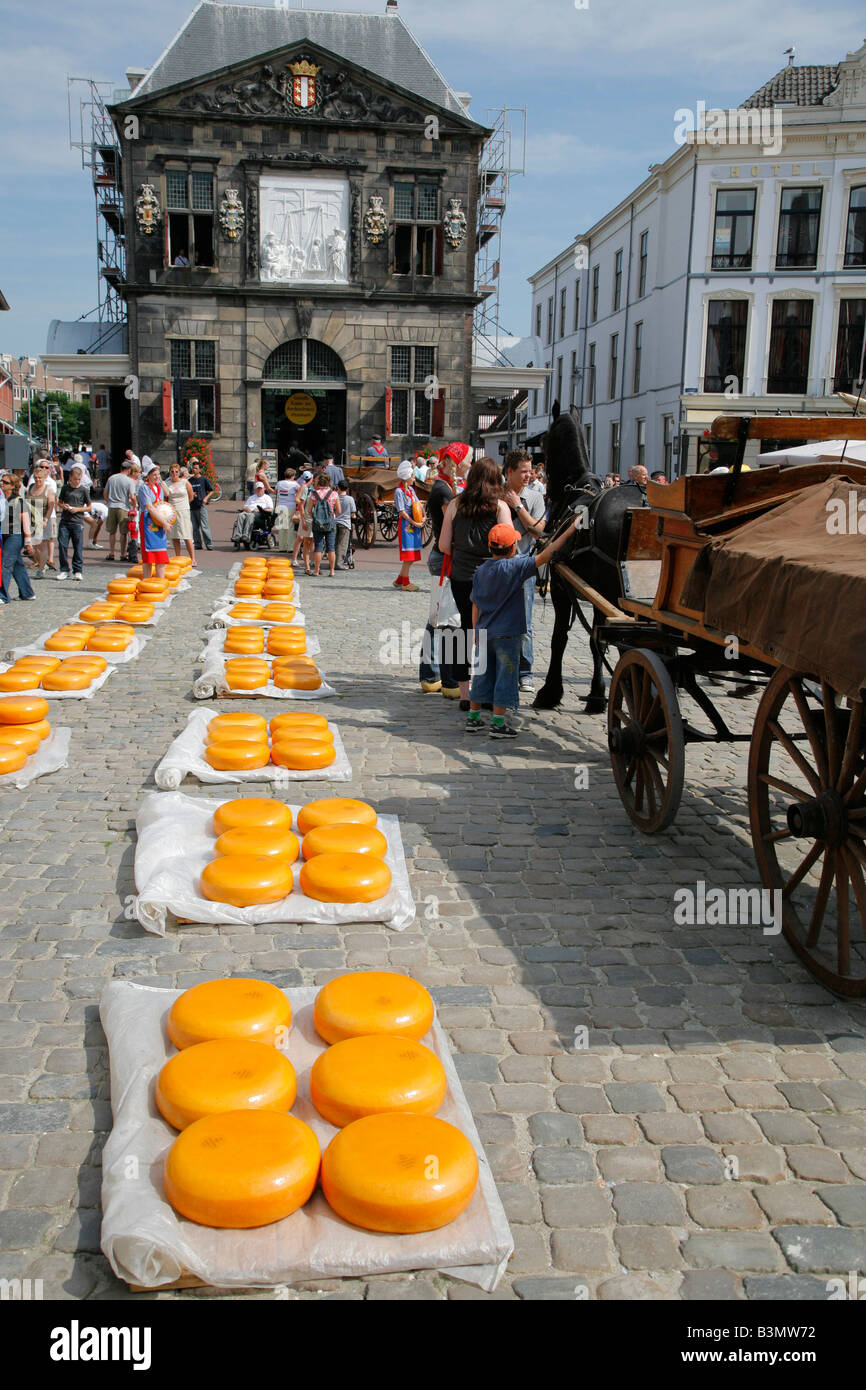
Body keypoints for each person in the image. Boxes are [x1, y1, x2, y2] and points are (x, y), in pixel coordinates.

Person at [466, 517, 584, 737]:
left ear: (490, 546)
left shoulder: (480, 570)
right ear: (513, 548)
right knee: (505, 677)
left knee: (481, 675)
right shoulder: (516, 566)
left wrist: (475, 631)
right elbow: (546, 555)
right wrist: (570, 530)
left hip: (483, 633)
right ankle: (498, 723)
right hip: (508, 635)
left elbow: (475, 604)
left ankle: (473, 719)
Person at [438, 457, 512, 709]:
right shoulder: (500, 507)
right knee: (490, 633)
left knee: (465, 630)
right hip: (492, 578)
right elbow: (509, 546)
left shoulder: (455, 504)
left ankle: (465, 694)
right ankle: (487, 692)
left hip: (461, 577)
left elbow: (443, 546)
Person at [418, 445, 463, 698]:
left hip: (443, 557)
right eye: (466, 460)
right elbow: (452, 524)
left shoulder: (445, 486)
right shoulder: (443, 490)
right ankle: (447, 679)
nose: (468, 463)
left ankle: (431, 674)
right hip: (444, 558)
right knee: (445, 620)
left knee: (437, 618)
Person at [503, 447, 547, 695]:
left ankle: (525, 673)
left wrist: (518, 507)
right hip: (499, 565)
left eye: (531, 471)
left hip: (524, 565)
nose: (529, 476)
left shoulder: (535, 498)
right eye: (524, 471)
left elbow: (537, 532)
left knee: (525, 623)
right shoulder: (495, 494)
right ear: (509, 471)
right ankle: (496, 670)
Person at [0, 472, 36, 602]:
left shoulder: (18, 501)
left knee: (5, 564)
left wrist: (28, 542)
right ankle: (27, 593)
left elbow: (25, 522)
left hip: (15, 536)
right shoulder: (4, 500)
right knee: (17, 565)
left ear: (13, 486)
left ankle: (3, 596)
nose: (2, 483)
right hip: (4, 535)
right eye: (1, 481)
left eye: (5, 482)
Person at [393, 461, 424, 591]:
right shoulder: (399, 491)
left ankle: (400, 579)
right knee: (408, 557)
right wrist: (414, 522)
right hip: (407, 525)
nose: (414, 478)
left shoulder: (410, 490)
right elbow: (402, 511)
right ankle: (405, 583)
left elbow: (418, 503)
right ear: (407, 477)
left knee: (411, 555)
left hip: (414, 524)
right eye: (412, 476)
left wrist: (424, 516)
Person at [56, 462, 90, 581]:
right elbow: (59, 502)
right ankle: (64, 569)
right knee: (62, 546)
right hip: (65, 521)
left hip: (77, 521)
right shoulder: (65, 488)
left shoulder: (83, 490)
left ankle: (78, 570)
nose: (77, 482)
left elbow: (89, 506)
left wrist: (78, 509)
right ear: (70, 478)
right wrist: (63, 506)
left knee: (78, 547)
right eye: (75, 479)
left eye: (79, 479)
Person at [138, 460, 170, 579]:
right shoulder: (144, 489)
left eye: (158, 474)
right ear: (148, 476)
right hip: (148, 521)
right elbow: (150, 508)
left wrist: (161, 482)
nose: (157, 477)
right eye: (154, 475)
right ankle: (147, 580)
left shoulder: (159, 487)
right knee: (149, 555)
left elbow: (167, 495)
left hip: (159, 520)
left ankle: (160, 581)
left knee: (161, 553)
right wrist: (164, 522)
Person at [306, 470, 340, 577]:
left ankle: (316, 570)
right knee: (331, 547)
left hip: (317, 524)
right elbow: (339, 510)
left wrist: (315, 518)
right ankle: (331, 571)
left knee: (318, 547)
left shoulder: (313, 494)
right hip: (330, 523)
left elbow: (309, 510)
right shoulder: (334, 494)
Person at [26, 462, 57, 577]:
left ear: (44, 478)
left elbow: (51, 506)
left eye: (40, 478)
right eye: (36, 478)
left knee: (42, 545)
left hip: (43, 519)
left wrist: (45, 519)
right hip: (32, 519)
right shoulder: (30, 487)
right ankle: (42, 563)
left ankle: (41, 568)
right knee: (33, 545)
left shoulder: (49, 489)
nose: (38, 480)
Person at [105, 457, 136, 562]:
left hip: (112, 506)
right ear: (129, 470)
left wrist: (108, 501)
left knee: (112, 532)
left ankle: (112, 553)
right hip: (123, 507)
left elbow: (105, 493)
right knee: (123, 532)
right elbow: (132, 496)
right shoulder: (129, 481)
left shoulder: (111, 478)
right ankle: (123, 554)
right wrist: (134, 506)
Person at [166, 462, 196, 563]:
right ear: (170, 472)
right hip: (172, 511)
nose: (174, 473)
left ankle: (193, 558)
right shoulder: (167, 484)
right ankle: (177, 557)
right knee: (175, 536)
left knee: (186, 535)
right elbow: (166, 497)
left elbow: (191, 495)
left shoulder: (185, 482)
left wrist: (185, 504)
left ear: (179, 472)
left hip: (183, 510)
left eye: (176, 471)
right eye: (172, 471)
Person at [189, 460, 215, 550]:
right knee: (195, 527)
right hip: (192, 506)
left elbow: (211, 490)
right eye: (193, 468)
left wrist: (206, 498)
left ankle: (209, 544)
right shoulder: (190, 481)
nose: (194, 470)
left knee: (204, 526)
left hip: (201, 506)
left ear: (200, 469)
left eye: (196, 468)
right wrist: (191, 494)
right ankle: (197, 544)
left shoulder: (203, 479)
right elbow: (187, 491)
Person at [292, 471, 313, 573]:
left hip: (308, 514)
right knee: (300, 538)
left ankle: (311, 560)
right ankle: (295, 558)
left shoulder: (313, 487)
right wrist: (302, 503)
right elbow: (296, 499)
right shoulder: (303, 487)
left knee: (310, 539)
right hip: (302, 511)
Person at [334, 480, 356, 570]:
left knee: (334, 543)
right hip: (345, 523)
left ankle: (333, 561)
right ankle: (339, 564)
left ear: (338, 488)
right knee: (342, 544)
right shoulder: (350, 499)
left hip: (334, 522)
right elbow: (353, 512)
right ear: (347, 489)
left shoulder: (335, 497)